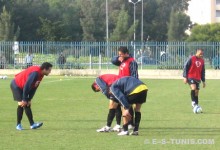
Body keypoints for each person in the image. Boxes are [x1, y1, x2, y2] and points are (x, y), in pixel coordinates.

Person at [10, 62, 53, 130]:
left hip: (22, 86)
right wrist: (24, 99)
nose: (50, 72)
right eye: (49, 70)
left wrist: (29, 98)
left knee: (27, 104)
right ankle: (19, 125)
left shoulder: (41, 75)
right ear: (45, 69)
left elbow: (34, 87)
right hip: (17, 85)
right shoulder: (35, 73)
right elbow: (27, 85)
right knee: (23, 104)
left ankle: (31, 124)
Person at [111, 46, 139, 129]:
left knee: (128, 104)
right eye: (118, 54)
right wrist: (118, 58)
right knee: (118, 103)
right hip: (119, 85)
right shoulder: (121, 60)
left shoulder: (132, 62)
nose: (120, 56)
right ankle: (118, 124)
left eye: (121, 54)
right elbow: (113, 61)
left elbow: (134, 75)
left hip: (128, 86)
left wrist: (132, 86)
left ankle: (130, 123)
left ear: (126, 54)